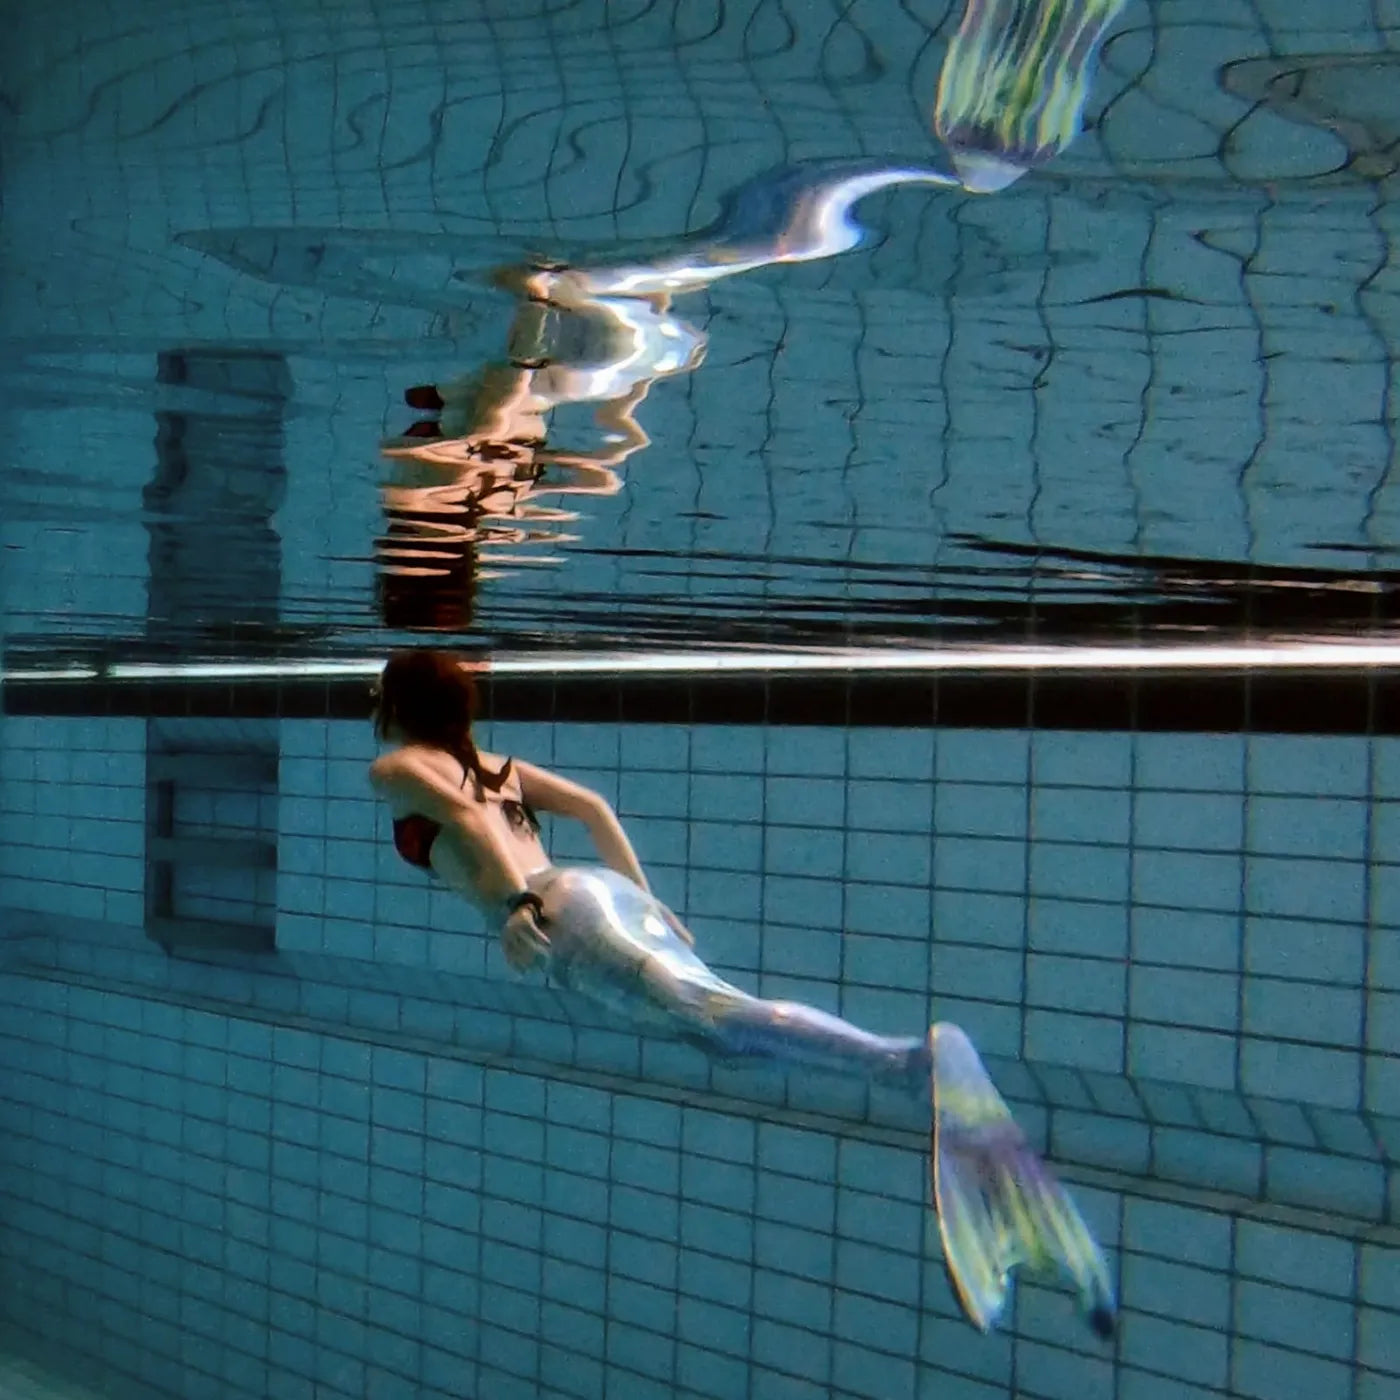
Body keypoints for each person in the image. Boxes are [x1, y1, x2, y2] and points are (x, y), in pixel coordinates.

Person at [367, 648, 1116, 1338]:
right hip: (596, 896)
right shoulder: (495, 762)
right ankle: (909, 1066)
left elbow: (465, 819)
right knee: (714, 1024)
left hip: (560, 914)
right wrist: (644, 899)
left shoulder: (398, 767)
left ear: (397, 702)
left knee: (717, 1025)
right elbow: (593, 807)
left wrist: (513, 910)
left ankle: (915, 1063)